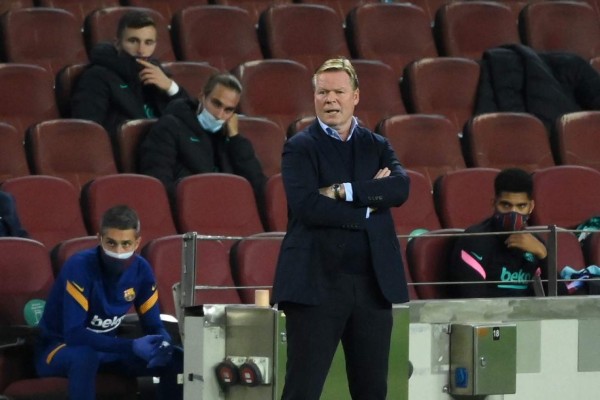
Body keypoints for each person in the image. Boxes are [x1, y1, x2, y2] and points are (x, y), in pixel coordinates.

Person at [271, 58, 411, 400]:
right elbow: (308, 206)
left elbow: (400, 189)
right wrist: (369, 206)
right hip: (315, 283)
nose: (330, 99)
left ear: (356, 96)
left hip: (373, 285)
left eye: (338, 92)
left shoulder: (377, 145)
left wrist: (343, 191)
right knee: (303, 389)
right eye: (322, 92)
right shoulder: (300, 147)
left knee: (372, 390)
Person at [34, 205, 182, 400]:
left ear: (137, 242)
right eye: (111, 243)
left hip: (107, 350)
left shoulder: (141, 270)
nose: (118, 251)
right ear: (99, 239)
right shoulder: (79, 266)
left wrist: (162, 342)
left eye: (126, 244)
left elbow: (153, 325)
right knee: (85, 356)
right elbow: (74, 334)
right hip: (57, 349)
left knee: (176, 358)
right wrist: (131, 346)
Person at [138, 72, 267, 220]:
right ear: (202, 97)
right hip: (187, 214)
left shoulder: (230, 140)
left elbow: (258, 187)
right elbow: (158, 180)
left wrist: (235, 139)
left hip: (229, 216)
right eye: (216, 104)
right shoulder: (170, 126)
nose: (219, 115)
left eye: (228, 110)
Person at [71, 10, 188, 137]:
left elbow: (190, 123)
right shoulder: (96, 77)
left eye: (148, 43)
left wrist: (171, 88)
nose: (141, 50)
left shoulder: (158, 75)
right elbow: (88, 131)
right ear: (117, 44)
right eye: (133, 41)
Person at [449, 168, 548, 298]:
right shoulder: (475, 240)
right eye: (506, 205)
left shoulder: (536, 244)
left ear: (531, 207)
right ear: (493, 203)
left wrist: (544, 255)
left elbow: (566, 304)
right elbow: (472, 302)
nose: (513, 213)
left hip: (528, 316)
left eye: (521, 206)